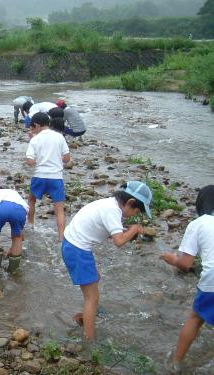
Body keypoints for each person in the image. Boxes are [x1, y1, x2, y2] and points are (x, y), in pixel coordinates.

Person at [62, 181, 152, 341]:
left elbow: (111, 232)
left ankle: (84, 317)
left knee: (95, 279)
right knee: (92, 299)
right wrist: (135, 229)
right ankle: (89, 341)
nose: (135, 215)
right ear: (130, 203)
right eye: (137, 211)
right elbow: (118, 241)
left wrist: (128, 232)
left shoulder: (109, 204)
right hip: (78, 250)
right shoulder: (112, 211)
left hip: (73, 244)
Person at [160, 185, 214, 369]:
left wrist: (172, 259)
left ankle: (176, 363)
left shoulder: (198, 224)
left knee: (195, 319)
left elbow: (186, 264)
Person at [25, 113, 70, 241]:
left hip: (39, 175)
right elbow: (67, 159)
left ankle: (31, 226)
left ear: (37, 125)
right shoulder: (59, 136)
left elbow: (30, 161)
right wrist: (56, 158)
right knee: (59, 209)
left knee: (32, 201)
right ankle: (61, 237)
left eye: (33, 127)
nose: (32, 130)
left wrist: (38, 159)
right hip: (56, 177)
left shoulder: (35, 139)